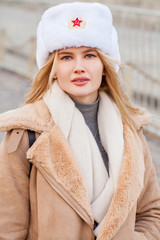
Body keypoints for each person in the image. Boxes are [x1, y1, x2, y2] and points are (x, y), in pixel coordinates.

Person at [0, 2, 160, 240]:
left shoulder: (131, 128)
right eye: (66, 57)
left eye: (89, 55)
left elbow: (150, 213)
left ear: (104, 66)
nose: (79, 67)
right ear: (52, 69)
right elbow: (9, 228)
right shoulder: (26, 133)